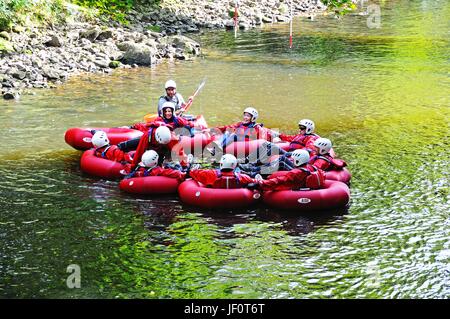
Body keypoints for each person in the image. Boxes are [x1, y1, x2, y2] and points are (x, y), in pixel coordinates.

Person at [206, 107, 278, 154]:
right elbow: (227, 127)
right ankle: (217, 147)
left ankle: (217, 148)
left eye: (248, 116)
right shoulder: (239, 124)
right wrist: (212, 129)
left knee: (234, 135)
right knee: (228, 131)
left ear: (253, 118)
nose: (245, 117)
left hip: (248, 143)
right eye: (245, 115)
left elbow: (262, 139)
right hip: (238, 141)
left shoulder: (256, 127)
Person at [248, 149, 325, 191]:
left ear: (299, 160)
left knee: (280, 167)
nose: (292, 161)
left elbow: (279, 180)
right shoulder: (311, 168)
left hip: (295, 189)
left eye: (293, 159)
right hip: (305, 186)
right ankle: (253, 172)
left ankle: (252, 173)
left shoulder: (296, 172)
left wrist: (260, 183)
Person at [118, 125, 189, 170]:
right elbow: (139, 152)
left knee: (158, 165)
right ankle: (119, 148)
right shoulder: (147, 136)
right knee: (124, 146)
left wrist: (185, 166)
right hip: (150, 143)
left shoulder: (172, 139)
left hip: (164, 150)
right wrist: (133, 167)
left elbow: (180, 153)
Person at [189, 154, 257, 189]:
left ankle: (193, 164)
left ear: (221, 164)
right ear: (234, 165)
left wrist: (193, 169)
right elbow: (255, 182)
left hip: (213, 196)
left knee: (195, 168)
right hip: (236, 199)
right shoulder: (242, 177)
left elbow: (192, 172)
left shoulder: (210, 174)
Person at [124, 150, 189, 181]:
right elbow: (171, 173)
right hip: (170, 170)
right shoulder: (157, 170)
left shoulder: (139, 168)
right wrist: (184, 175)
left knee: (167, 165)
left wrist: (125, 163)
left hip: (145, 170)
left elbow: (129, 167)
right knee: (174, 166)